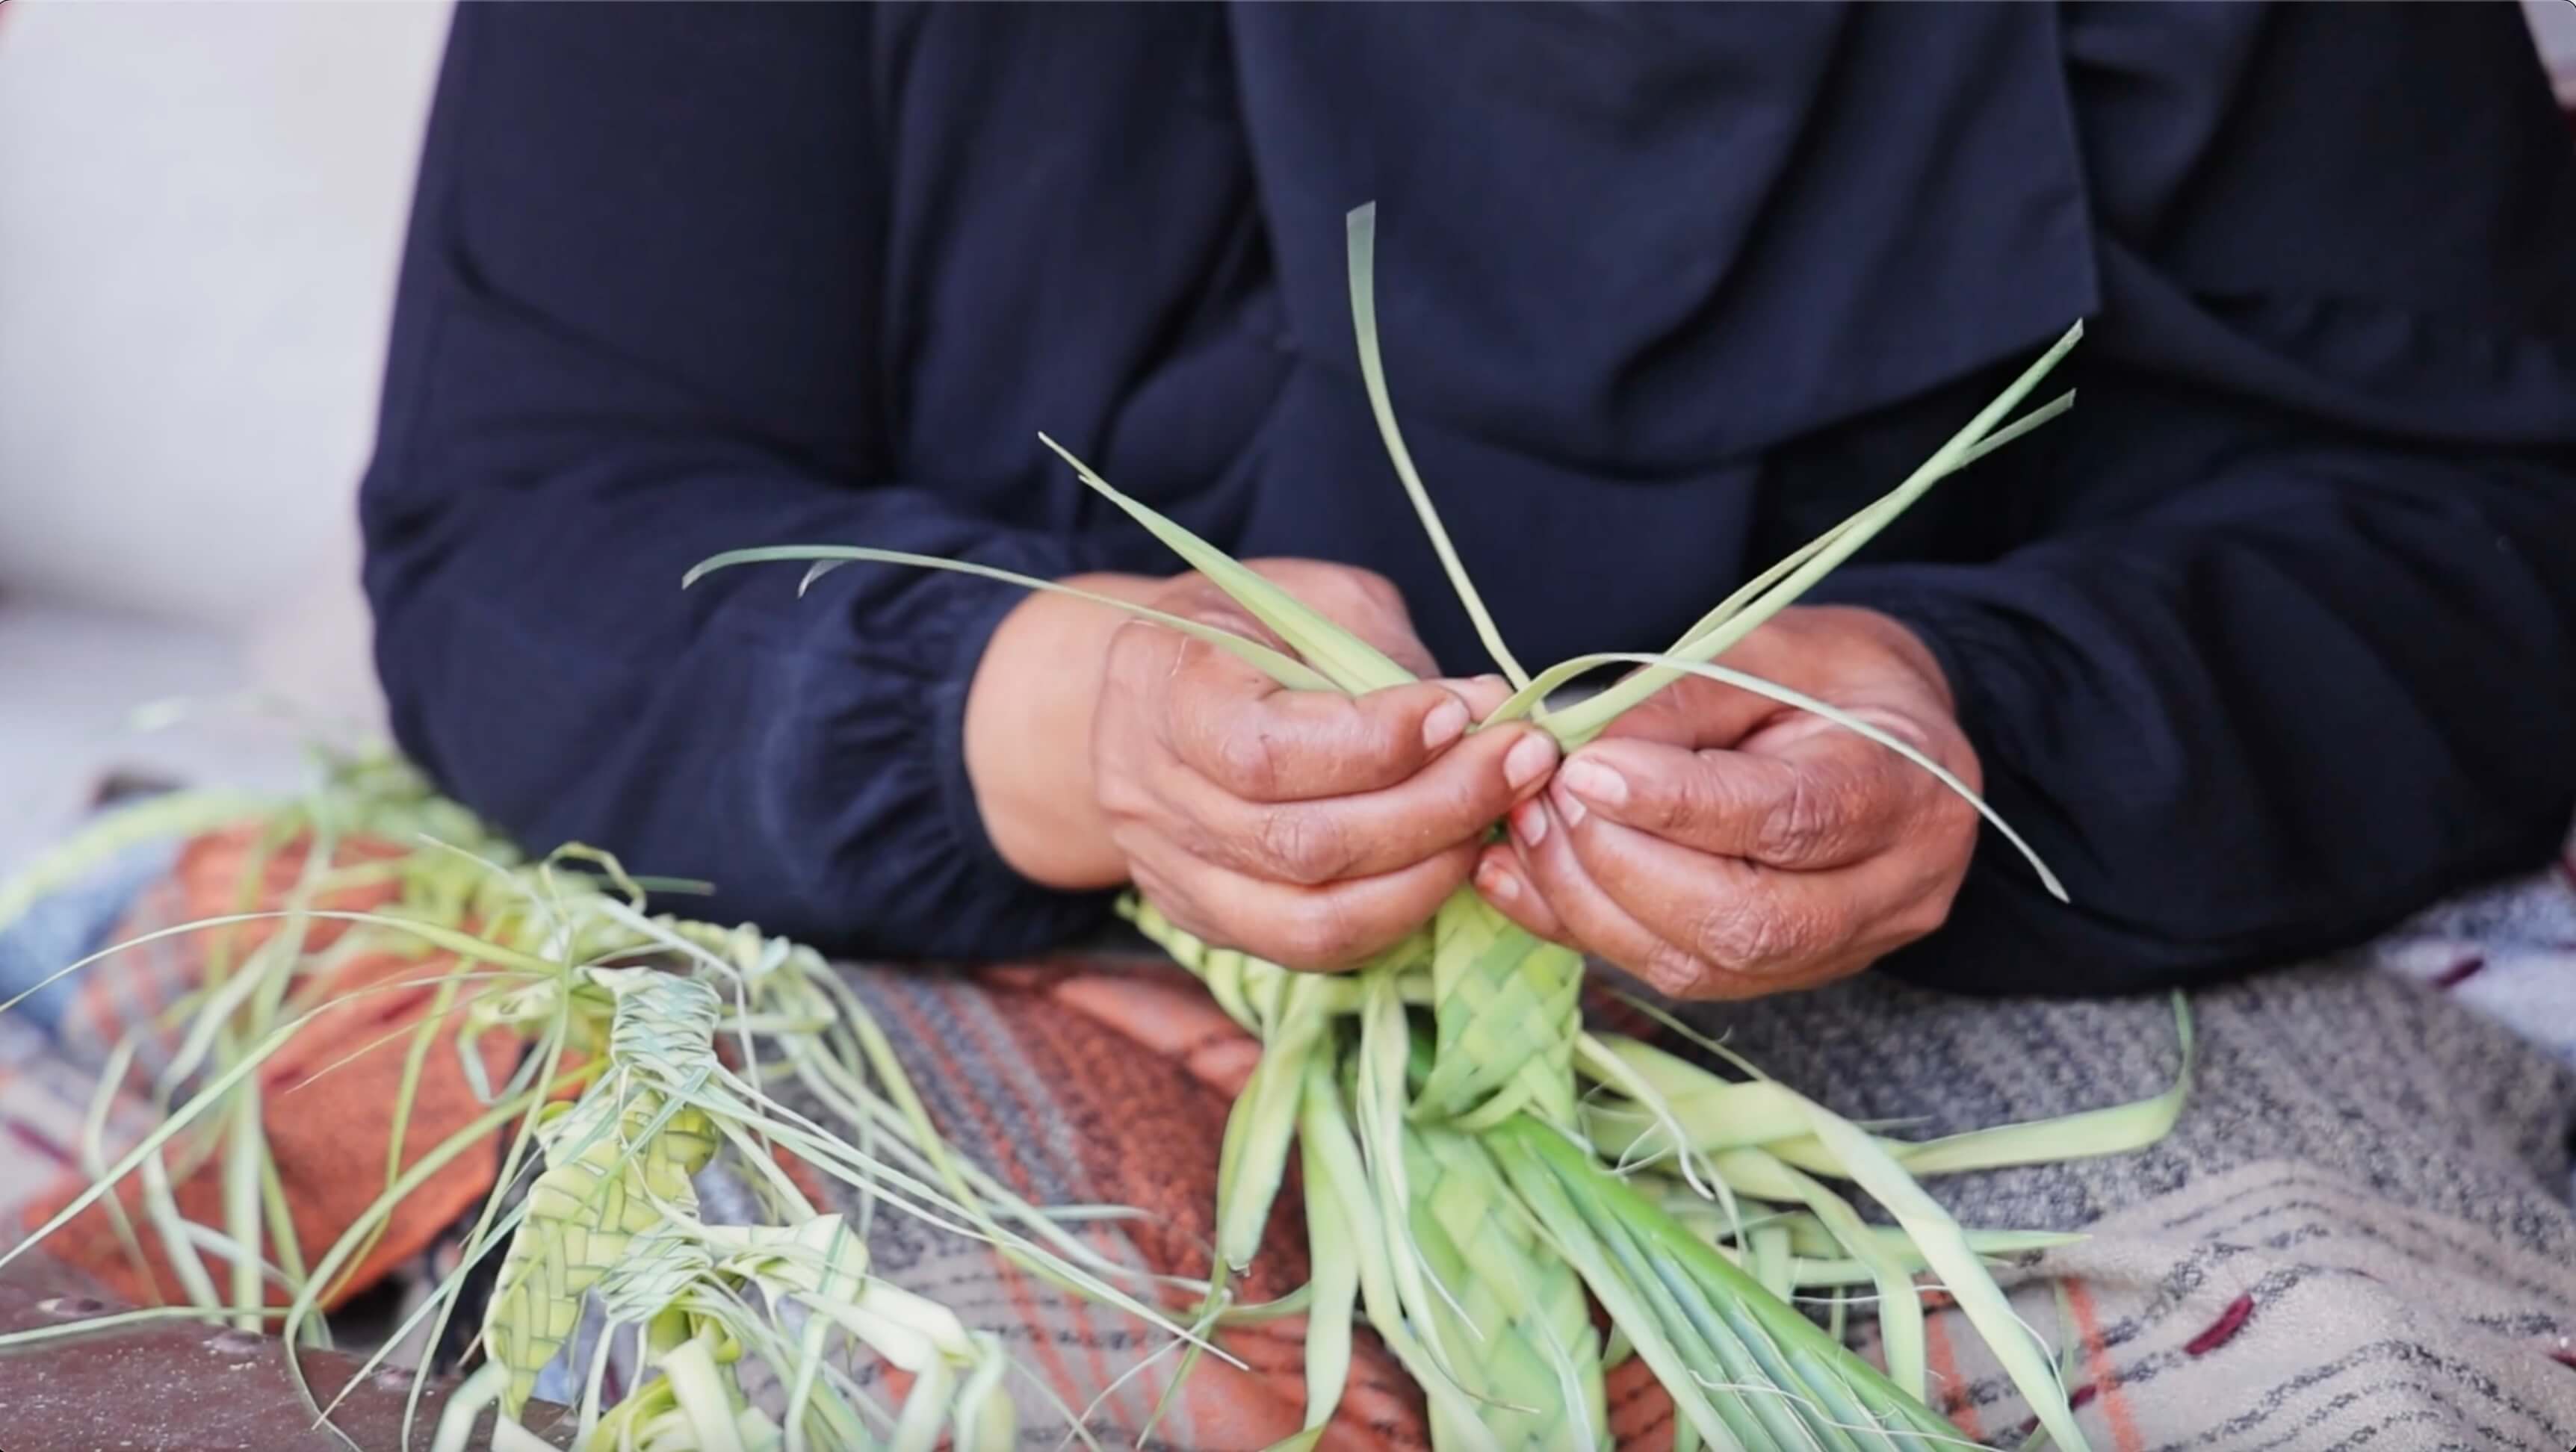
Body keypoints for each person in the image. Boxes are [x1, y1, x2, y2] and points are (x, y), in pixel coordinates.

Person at [359, 2, 2576, 1004]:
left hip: (1988, 1037)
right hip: (935, 979)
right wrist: (1068, 717)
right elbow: (525, 526)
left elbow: (2487, 528)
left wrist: (1983, 719)